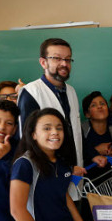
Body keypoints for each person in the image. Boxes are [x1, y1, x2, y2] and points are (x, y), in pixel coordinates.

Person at [10, 108, 88, 221]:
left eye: (59, 128)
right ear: (34, 134)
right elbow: (17, 209)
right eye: (47, 128)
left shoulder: (61, 161)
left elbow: (64, 195)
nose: (55, 132)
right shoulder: (25, 164)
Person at [17, 38, 83, 168]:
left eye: (68, 59)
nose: (64, 63)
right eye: (57, 58)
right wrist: (63, 169)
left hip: (76, 168)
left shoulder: (71, 91)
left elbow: (75, 131)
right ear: (43, 62)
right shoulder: (31, 92)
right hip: (48, 171)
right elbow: (27, 140)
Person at [81, 90, 112, 168]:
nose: (99, 107)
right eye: (93, 105)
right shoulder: (82, 130)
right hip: (90, 177)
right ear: (87, 114)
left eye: (102, 103)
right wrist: (96, 151)